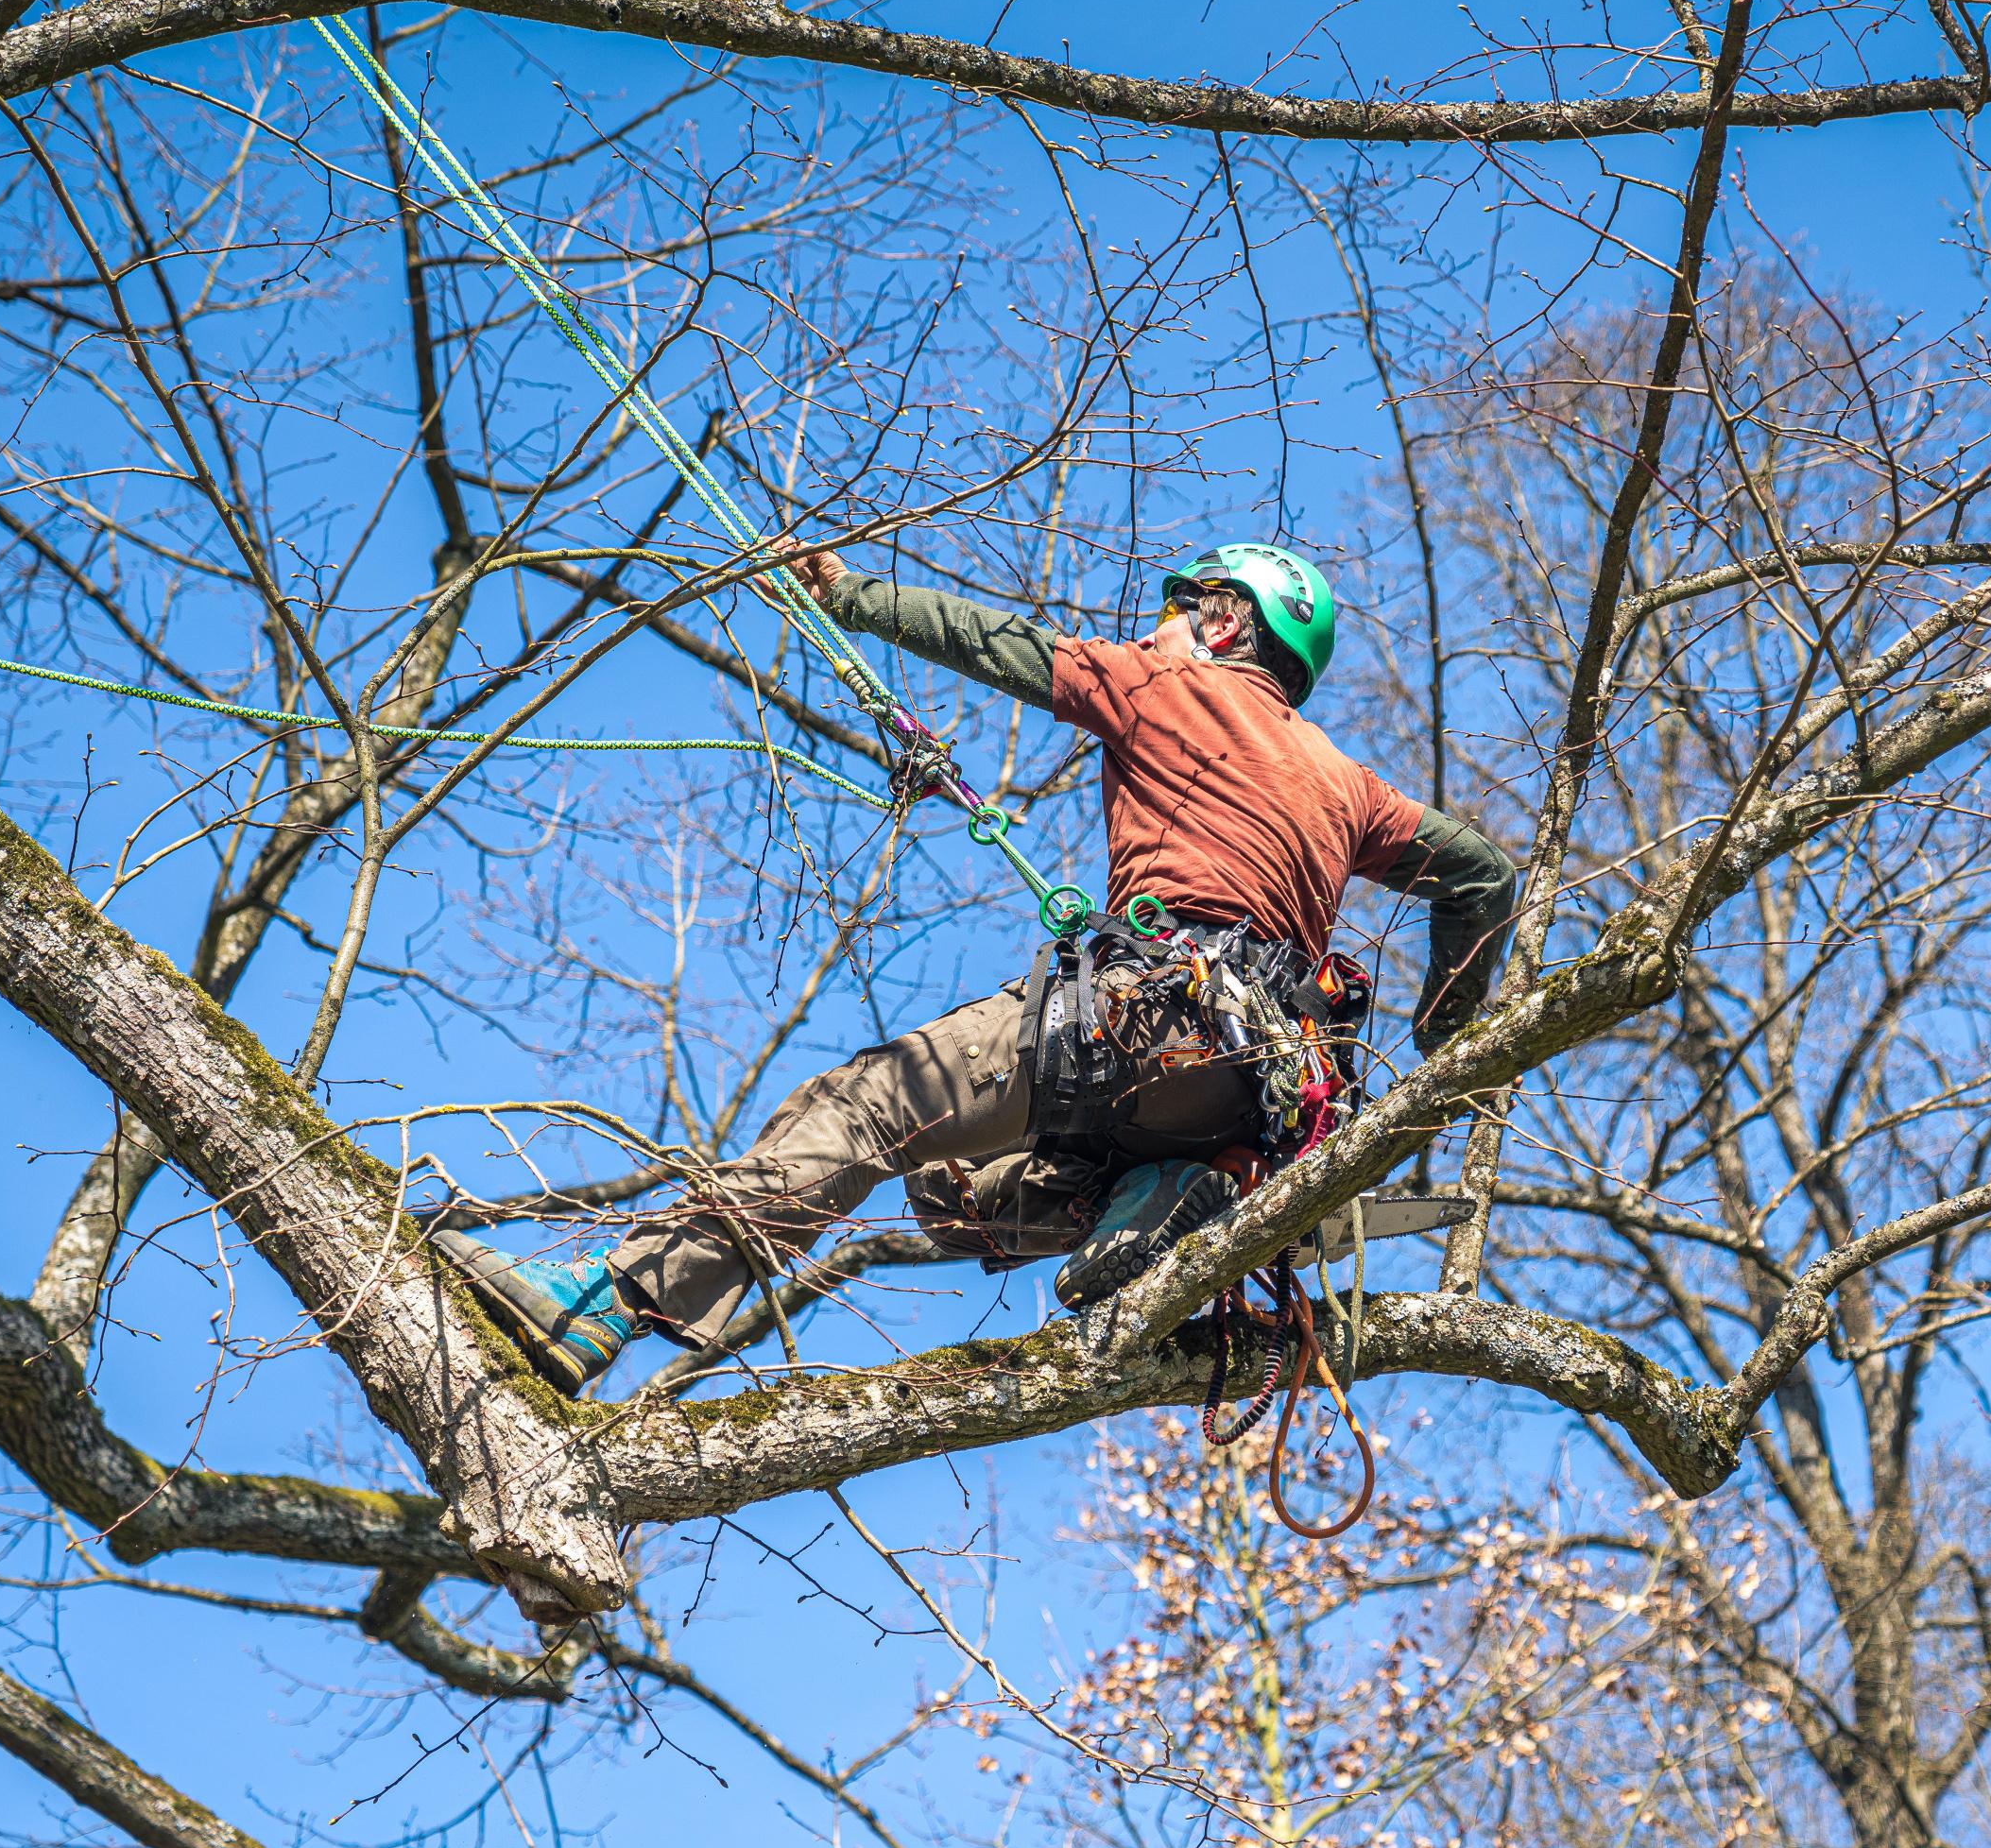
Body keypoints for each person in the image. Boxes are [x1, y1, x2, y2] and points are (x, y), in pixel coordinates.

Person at [433, 540, 1518, 1395]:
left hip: (1139, 1018)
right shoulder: (1350, 785)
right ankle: (1159, 1192)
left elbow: (999, 642)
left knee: (861, 1109)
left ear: (1226, 620)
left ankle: (599, 1301)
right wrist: (1448, 1032)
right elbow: (1483, 874)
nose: (1159, 622)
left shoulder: (1170, 684)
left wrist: (849, 598)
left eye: (1183, 605)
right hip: (1247, 1094)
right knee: (953, 1198)